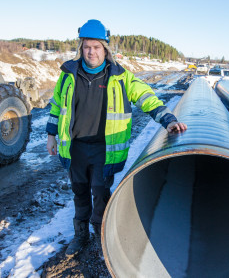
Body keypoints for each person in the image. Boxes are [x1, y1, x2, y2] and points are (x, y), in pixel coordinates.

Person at [46, 19, 187, 257]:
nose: (91, 52)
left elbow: (146, 97)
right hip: (75, 147)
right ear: (81, 47)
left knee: (100, 193)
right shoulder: (69, 73)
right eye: (87, 47)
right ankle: (80, 236)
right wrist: (51, 135)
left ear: (106, 49)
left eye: (96, 47)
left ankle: (101, 235)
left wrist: (169, 120)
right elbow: (57, 104)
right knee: (79, 192)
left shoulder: (121, 77)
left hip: (104, 149)